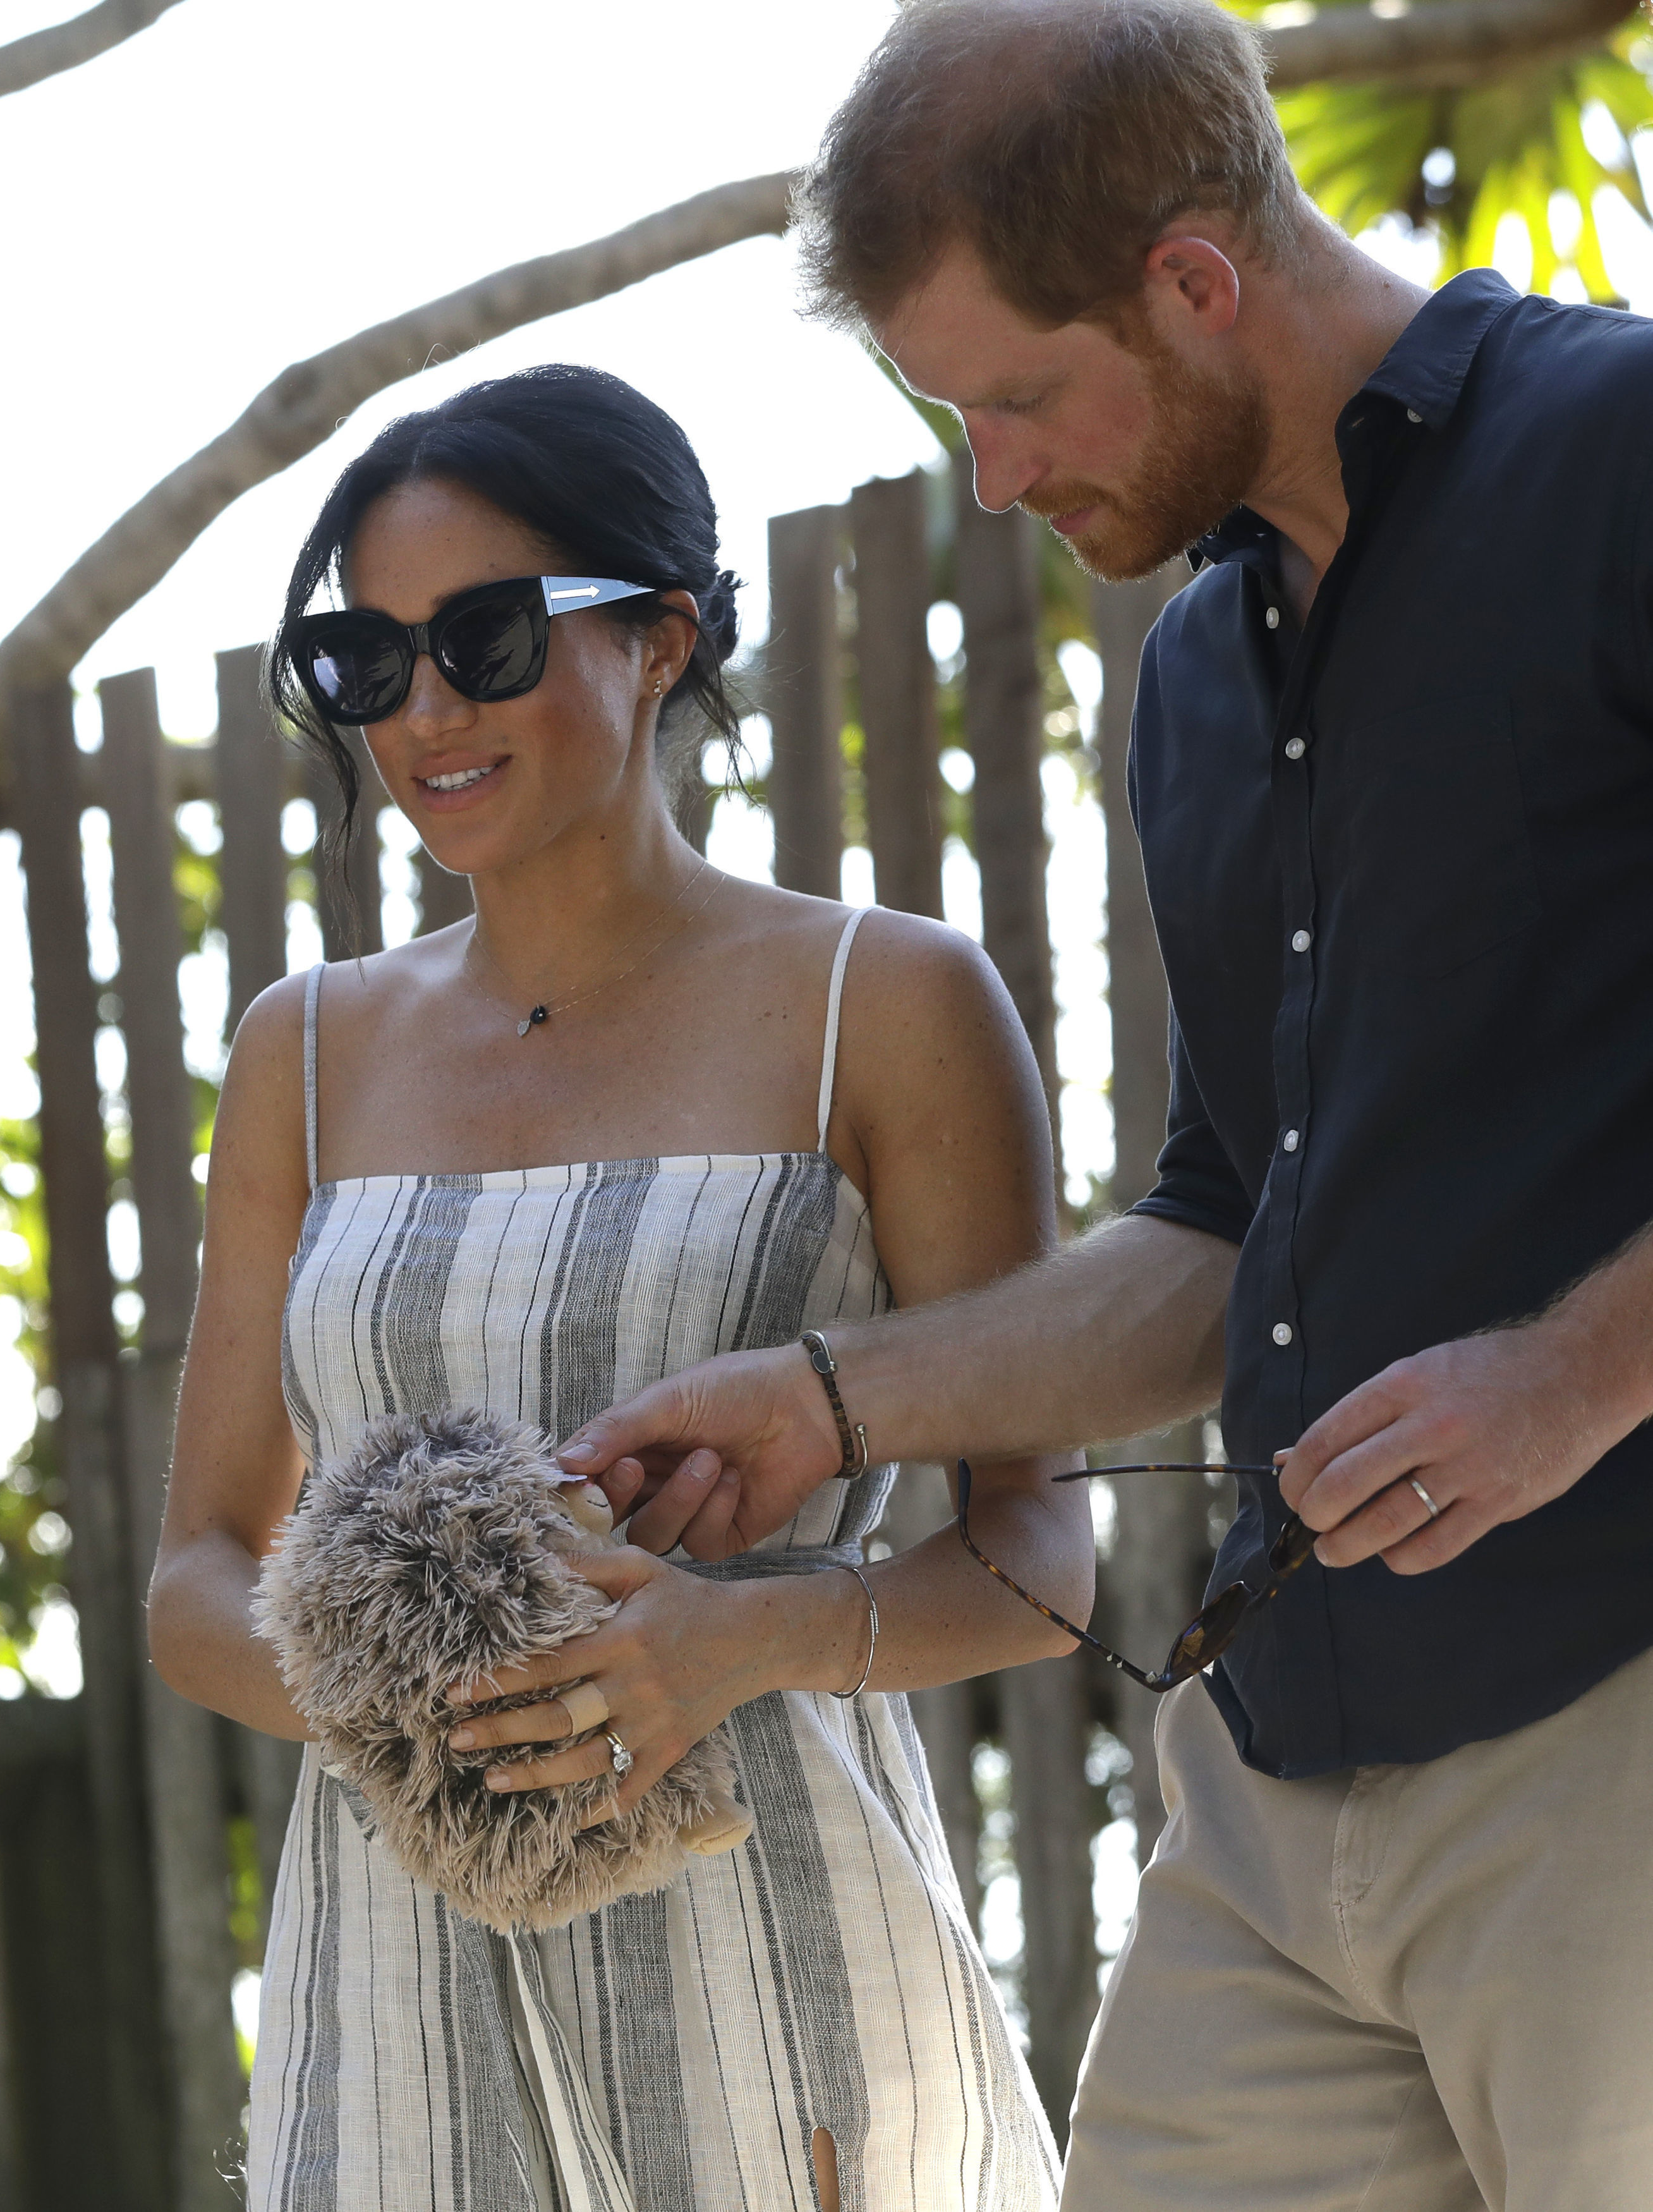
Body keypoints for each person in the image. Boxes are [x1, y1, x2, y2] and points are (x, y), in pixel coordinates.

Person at [554, 4, 1653, 2208]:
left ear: (1194, 277)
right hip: (1276, 1784)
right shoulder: (1202, 670)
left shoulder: (1622, 453)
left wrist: (1570, 1371)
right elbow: (1221, 1218)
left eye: (1019, 396)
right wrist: (827, 1401)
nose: (995, 474)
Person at [147, 363, 1087, 2211]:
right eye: (367, 661)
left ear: (662, 638)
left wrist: (738, 1639)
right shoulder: (305, 1052)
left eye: (488, 638)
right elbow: (193, 1573)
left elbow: (1042, 1555)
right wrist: (450, 1696)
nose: (424, 710)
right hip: (394, 1969)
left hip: (781, 1941)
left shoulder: (883, 1007)